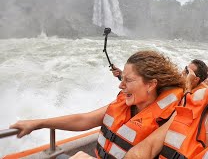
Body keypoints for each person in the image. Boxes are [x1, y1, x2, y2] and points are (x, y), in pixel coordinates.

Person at [10, 50, 185, 159]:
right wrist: (37, 123)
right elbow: (83, 119)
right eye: (121, 78)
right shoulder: (124, 104)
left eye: (128, 80)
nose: (120, 85)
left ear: (151, 84)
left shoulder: (168, 120)